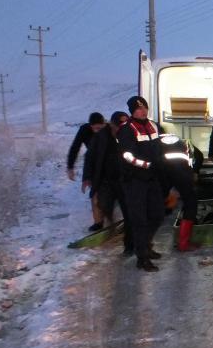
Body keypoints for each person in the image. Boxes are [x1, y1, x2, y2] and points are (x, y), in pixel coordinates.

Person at [118, 96, 165, 271]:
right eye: (138, 109)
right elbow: (127, 156)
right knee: (139, 220)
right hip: (134, 181)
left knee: (158, 214)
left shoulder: (153, 125)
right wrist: (145, 165)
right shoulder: (127, 129)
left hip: (153, 178)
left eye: (144, 107)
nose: (142, 111)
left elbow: (159, 147)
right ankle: (142, 256)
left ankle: (146, 245)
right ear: (132, 111)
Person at [88, 111, 134, 256]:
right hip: (106, 180)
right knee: (103, 204)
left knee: (129, 212)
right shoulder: (101, 137)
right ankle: (109, 223)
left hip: (125, 180)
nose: (122, 129)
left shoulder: (130, 134)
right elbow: (90, 157)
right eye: (119, 126)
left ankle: (129, 246)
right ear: (112, 125)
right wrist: (87, 177)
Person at [159, 133, 199, 252]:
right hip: (181, 178)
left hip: (165, 180)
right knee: (191, 205)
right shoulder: (181, 143)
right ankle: (183, 244)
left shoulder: (157, 144)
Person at [67, 111, 106, 231]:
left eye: (100, 128)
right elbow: (75, 147)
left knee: (109, 193)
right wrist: (70, 167)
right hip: (93, 163)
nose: (97, 131)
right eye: (95, 128)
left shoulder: (109, 129)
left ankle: (112, 218)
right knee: (95, 193)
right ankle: (98, 222)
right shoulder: (84, 130)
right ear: (90, 126)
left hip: (108, 163)